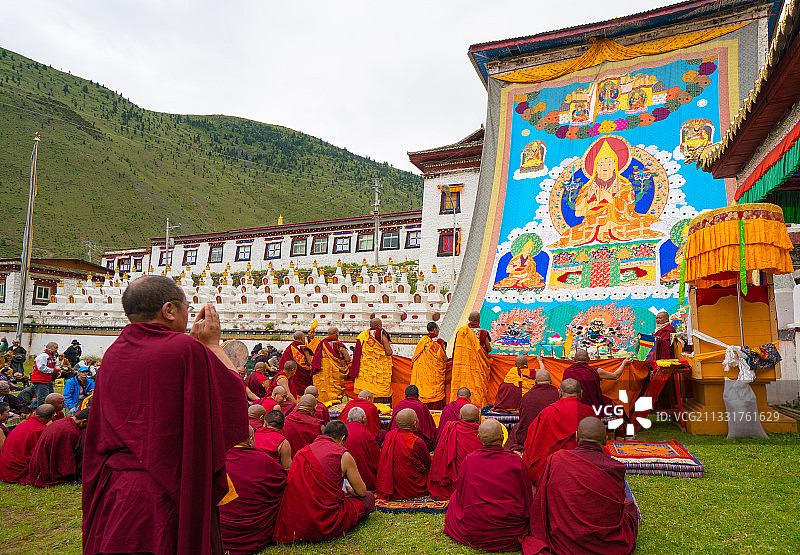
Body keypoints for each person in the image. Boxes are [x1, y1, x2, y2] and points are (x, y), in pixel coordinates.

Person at [82, 275, 248, 555]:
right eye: (186, 306)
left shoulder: (113, 353)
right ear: (169, 310)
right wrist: (212, 345)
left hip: (116, 488)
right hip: (166, 490)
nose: (187, 312)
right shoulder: (186, 349)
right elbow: (232, 395)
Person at [529, 417, 639, 554]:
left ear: (576, 436)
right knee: (629, 507)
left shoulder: (558, 460)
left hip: (564, 541)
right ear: (605, 440)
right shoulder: (615, 468)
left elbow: (544, 499)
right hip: (606, 544)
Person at [273, 420, 374, 543]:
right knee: (368, 498)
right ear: (342, 439)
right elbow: (362, 492)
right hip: (325, 522)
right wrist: (350, 489)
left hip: (297, 522)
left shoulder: (303, 452)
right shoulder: (343, 454)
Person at [444, 419, 533, 552]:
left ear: (479, 437)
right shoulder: (515, 461)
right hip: (510, 532)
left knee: (454, 498)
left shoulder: (469, 461)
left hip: (474, 531)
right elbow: (526, 497)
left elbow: (462, 495)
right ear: (503, 436)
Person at [219, 426, 288, 555]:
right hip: (254, 535)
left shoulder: (218, 461)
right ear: (251, 441)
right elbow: (284, 483)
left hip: (221, 534)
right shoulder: (264, 461)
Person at [522, 378, 595, 484]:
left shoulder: (547, 413)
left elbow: (531, 442)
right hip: (583, 469)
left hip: (551, 470)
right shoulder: (590, 412)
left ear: (559, 392)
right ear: (581, 393)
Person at [18, 408, 90, 486]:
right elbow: (67, 458)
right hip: (47, 470)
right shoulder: (70, 431)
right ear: (84, 421)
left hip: (39, 465)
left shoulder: (62, 422)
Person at [428, 403, 482, 500]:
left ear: (460, 416)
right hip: (478, 483)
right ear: (478, 418)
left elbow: (439, 453)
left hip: (453, 484)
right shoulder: (483, 434)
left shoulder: (451, 428)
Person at [376, 408, 431, 500]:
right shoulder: (417, 441)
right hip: (413, 486)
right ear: (414, 423)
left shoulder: (390, 436)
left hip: (391, 484)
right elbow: (427, 463)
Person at [506, 368, 560, 452]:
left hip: (530, 438)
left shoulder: (527, 397)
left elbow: (523, 420)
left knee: (516, 429)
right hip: (554, 438)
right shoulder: (558, 394)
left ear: (535, 382)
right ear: (551, 381)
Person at [0, 403, 56, 482]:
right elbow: (41, 454)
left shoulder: (24, 424)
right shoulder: (40, 430)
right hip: (16, 471)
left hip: (5, 467)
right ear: (52, 416)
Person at [563, 348, 630, 410]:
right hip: (591, 405)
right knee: (608, 402)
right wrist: (624, 364)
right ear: (589, 359)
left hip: (572, 405)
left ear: (574, 359)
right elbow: (615, 376)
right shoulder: (595, 371)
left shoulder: (568, 371)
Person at [451, 311, 492, 408]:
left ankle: (458, 403)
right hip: (477, 367)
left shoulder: (461, 332)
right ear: (479, 320)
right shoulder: (482, 333)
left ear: (468, 319)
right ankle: (476, 404)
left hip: (462, 367)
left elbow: (456, 349)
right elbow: (489, 349)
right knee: (476, 385)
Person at [352, 318, 394, 404]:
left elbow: (357, 354)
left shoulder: (362, 335)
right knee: (380, 392)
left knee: (366, 388)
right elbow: (389, 352)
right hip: (379, 371)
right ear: (379, 325)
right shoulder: (380, 334)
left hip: (365, 370)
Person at [409, 322, 448, 410]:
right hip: (434, 380)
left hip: (423, 380)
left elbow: (415, 358)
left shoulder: (422, 341)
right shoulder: (440, 343)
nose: (438, 330)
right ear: (434, 329)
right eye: (438, 329)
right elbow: (444, 359)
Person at [387, 385, 437, 451]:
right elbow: (430, 428)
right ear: (418, 395)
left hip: (399, 440)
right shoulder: (422, 407)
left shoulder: (398, 405)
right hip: (416, 441)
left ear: (405, 395)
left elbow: (392, 427)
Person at [311, 326, 351, 404]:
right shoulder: (338, 345)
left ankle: (324, 405)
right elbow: (347, 358)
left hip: (323, 372)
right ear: (337, 333)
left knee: (324, 390)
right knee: (335, 391)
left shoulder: (321, 345)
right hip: (336, 373)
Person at [344, 407, 380, 490]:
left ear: (348, 419)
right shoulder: (366, 434)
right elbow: (376, 460)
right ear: (363, 419)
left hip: (342, 480)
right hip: (363, 481)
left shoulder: (341, 431)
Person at [31, 342, 59, 409]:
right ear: (49, 348)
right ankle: (41, 413)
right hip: (40, 380)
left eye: (57, 348)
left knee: (50, 397)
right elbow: (41, 368)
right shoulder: (43, 356)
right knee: (43, 399)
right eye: (55, 348)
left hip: (48, 380)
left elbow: (56, 365)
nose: (56, 349)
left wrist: (59, 371)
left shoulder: (53, 357)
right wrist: (54, 370)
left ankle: (33, 408)